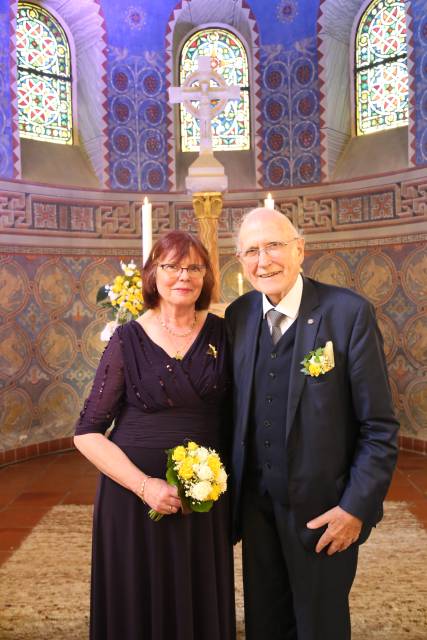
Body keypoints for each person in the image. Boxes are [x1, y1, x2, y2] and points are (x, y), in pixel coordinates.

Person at [225, 208, 399, 640]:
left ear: (300, 249)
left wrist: (355, 509)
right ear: (240, 261)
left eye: (273, 246)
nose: (263, 260)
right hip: (256, 509)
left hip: (325, 512)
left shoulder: (348, 313)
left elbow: (379, 428)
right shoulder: (238, 316)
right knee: (264, 625)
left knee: (320, 627)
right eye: (250, 251)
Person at [74, 230, 235, 640]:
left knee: (196, 594)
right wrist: (145, 487)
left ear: (206, 276)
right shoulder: (127, 340)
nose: (184, 276)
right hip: (133, 495)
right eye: (172, 266)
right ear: (152, 274)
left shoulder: (223, 333)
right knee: (138, 599)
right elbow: (87, 433)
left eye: (194, 267)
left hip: (203, 494)